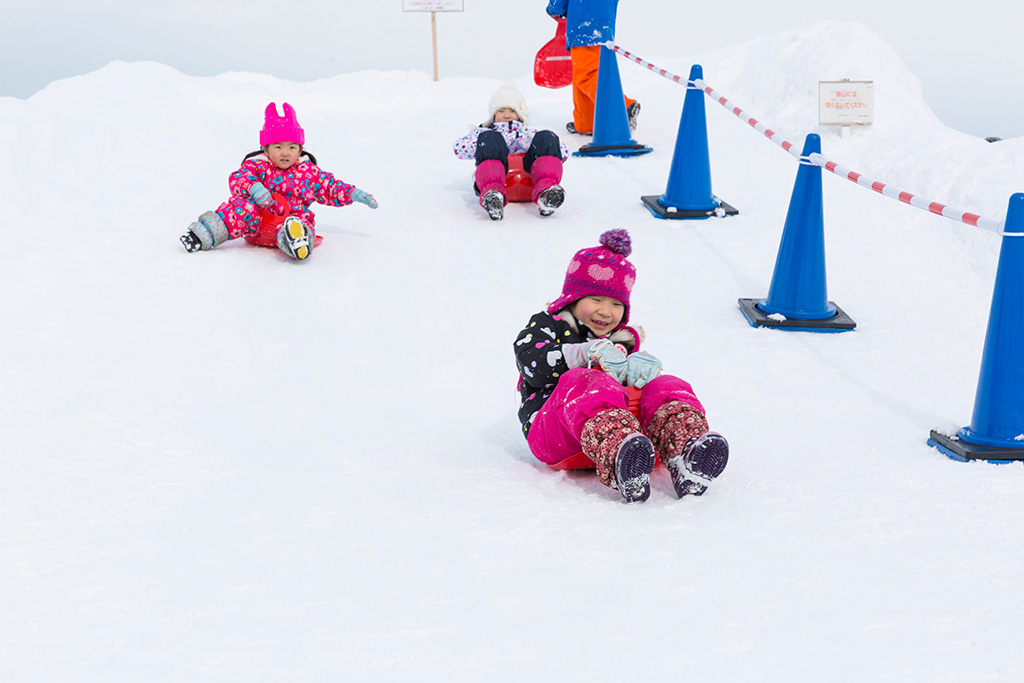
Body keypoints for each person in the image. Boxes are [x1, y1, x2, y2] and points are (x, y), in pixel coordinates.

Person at [513, 229, 729, 503]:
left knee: (666, 384)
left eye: (617, 304)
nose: (606, 311)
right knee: (583, 380)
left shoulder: (621, 342)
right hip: (555, 434)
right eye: (595, 299)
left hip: (629, 436)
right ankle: (621, 459)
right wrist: (582, 353)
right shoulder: (547, 325)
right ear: (573, 297)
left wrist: (638, 374)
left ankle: (684, 450)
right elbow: (530, 363)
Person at [180, 102, 378, 260]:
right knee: (241, 208)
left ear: (300, 150)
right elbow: (239, 178)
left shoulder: (308, 173)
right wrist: (255, 188)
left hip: (287, 222)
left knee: (301, 220)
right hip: (256, 223)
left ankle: (296, 241)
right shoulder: (258, 166)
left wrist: (354, 194)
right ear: (266, 149)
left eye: (292, 147)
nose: (285, 153)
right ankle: (201, 235)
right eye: (278, 147)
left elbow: (330, 187)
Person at [453, 82, 570, 221]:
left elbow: (563, 152)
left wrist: (528, 144)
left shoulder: (528, 133)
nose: (507, 115)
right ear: (493, 115)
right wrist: (485, 144)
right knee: (490, 138)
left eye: (512, 111)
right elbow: (459, 149)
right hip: (499, 178)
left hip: (531, 181)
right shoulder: (484, 132)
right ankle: (493, 196)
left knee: (546, 136)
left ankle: (546, 193)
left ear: (521, 115)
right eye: (501, 111)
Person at [545, 0, 639, 136]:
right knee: (586, 73)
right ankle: (585, 124)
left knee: (586, 76)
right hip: (604, 26)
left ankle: (623, 107)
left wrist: (554, 8)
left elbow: (557, 6)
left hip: (583, 23)